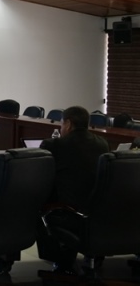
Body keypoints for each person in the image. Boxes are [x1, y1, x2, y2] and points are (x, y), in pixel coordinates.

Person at [36, 105, 110, 274]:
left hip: (68, 213)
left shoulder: (54, 145)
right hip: (96, 213)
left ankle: (61, 260)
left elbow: (40, 173)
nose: (61, 128)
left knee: (35, 204)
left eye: (62, 124)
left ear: (68, 124)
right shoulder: (103, 143)